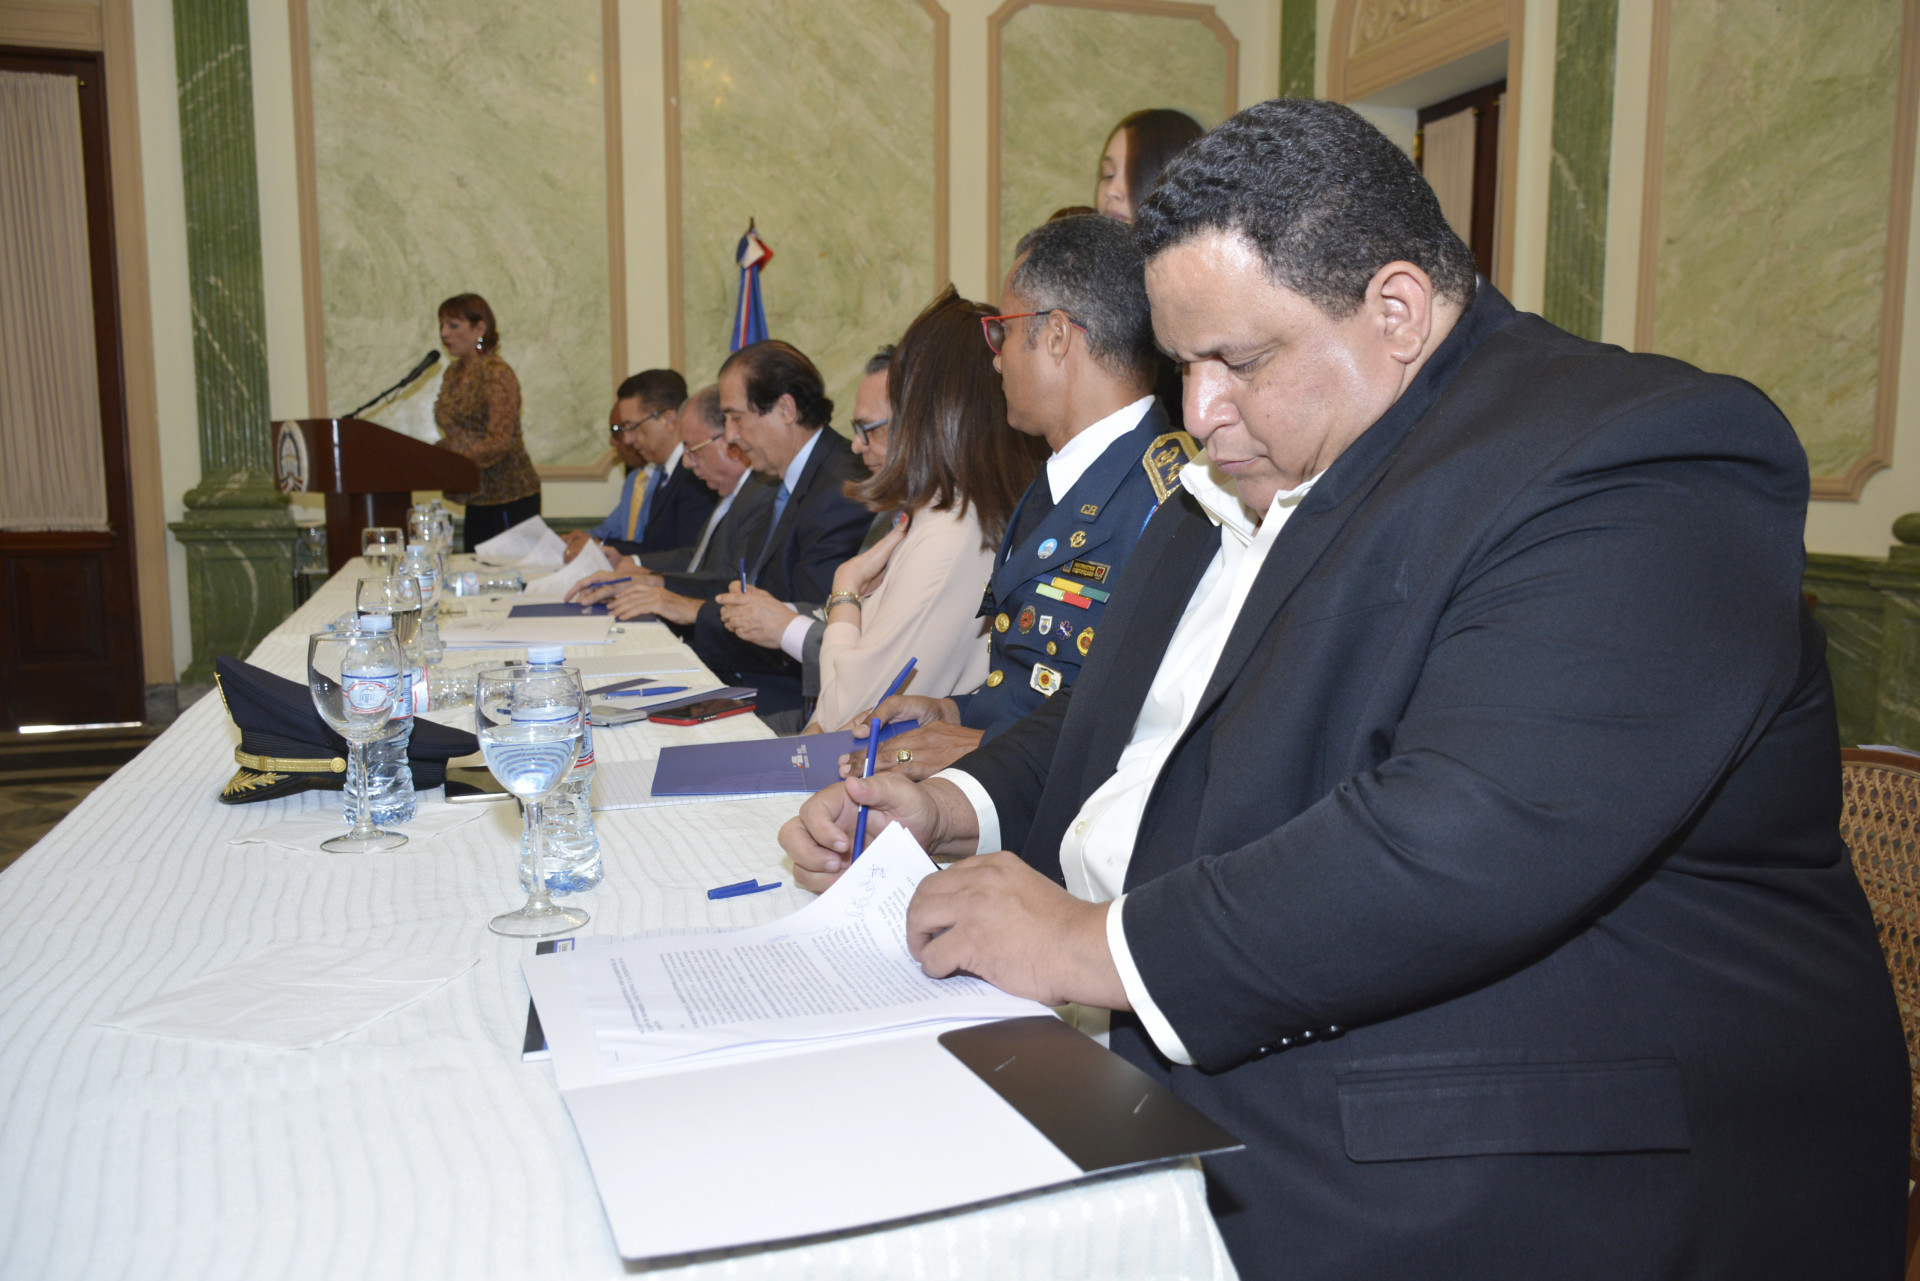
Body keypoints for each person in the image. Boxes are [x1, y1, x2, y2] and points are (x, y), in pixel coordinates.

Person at [782, 99, 1909, 1278]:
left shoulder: (1633, 460)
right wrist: (955, 806)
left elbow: (1461, 839)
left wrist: (1087, 946)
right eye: (1182, 365)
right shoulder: (1266, 453)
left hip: (1505, 1143)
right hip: (1201, 1028)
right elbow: (1121, 709)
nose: (1199, 412)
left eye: (1238, 361)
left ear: (1397, 310)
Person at [845, 215, 1192, 779]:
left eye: (1002, 331)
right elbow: (1030, 687)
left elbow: (1152, 729)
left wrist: (981, 745)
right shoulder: (1057, 478)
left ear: (1056, 336)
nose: (996, 356)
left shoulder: (1176, 502)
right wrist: (953, 712)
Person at [783, 289, 1047, 733]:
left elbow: (847, 716)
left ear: (927, 407)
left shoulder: (952, 532)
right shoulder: (945, 516)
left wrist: (845, 591)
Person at [689, 341, 873, 727]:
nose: (730, 436)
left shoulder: (840, 486)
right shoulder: (781, 479)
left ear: (786, 409)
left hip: (794, 698)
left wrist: (694, 614)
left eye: (736, 418)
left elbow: (808, 619)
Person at [566, 386, 777, 621]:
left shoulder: (763, 497)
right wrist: (635, 569)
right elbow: (697, 559)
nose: (686, 463)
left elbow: (732, 582)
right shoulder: (731, 492)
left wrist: (656, 585)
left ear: (730, 441)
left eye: (693, 449)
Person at [563, 369, 716, 562]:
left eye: (633, 427)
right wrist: (599, 545)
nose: (627, 439)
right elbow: (652, 548)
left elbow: (689, 557)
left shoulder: (695, 475)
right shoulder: (663, 474)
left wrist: (620, 556)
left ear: (669, 420)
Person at [432, 293, 541, 549]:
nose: (444, 333)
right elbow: (456, 434)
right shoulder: (453, 373)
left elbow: (499, 441)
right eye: (442, 325)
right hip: (476, 496)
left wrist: (452, 464)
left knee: (506, 572)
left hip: (508, 496)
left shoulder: (497, 373)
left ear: (480, 328)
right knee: (475, 569)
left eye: (453, 325)